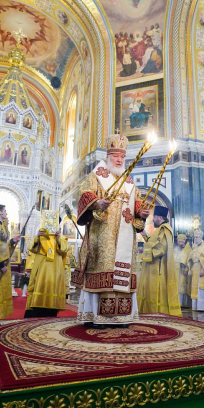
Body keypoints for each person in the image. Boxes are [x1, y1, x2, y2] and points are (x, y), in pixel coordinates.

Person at [73, 133, 149, 327]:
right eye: (116, 156)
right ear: (108, 157)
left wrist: (142, 211)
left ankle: (122, 317)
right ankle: (95, 316)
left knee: (121, 274)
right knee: (104, 270)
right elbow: (84, 193)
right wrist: (97, 202)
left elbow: (137, 202)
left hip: (125, 238)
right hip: (102, 236)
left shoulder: (128, 182)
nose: (119, 160)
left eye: (122, 157)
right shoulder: (97, 176)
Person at [138, 206, 180, 316]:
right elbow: (154, 243)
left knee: (157, 292)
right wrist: (145, 236)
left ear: (160, 217)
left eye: (154, 217)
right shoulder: (159, 230)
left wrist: (146, 249)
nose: (153, 219)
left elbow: (161, 248)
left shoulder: (165, 229)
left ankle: (158, 312)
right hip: (153, 267)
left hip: (158, 269)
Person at [24, 228, 68, 318]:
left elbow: (64, 250)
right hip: (41, 269)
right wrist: (37, 237)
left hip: (55, 270)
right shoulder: (41, 236)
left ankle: (51, 313)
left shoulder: (61, 237)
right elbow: (31, 248)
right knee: (39, 287)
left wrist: (59, 238)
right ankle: (34, 313)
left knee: (52, 289)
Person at [175, 234, 192, 308]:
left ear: (184, 242)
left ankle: (184, 303)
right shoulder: (175, 250)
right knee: (176, 286)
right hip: (176, 271)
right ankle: (177, 302)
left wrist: (187, 269)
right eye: (179, 242)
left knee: (182, 287)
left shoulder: (188, 250)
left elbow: (190, 261)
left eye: (181, 242)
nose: (180, 243)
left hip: (183, 271)